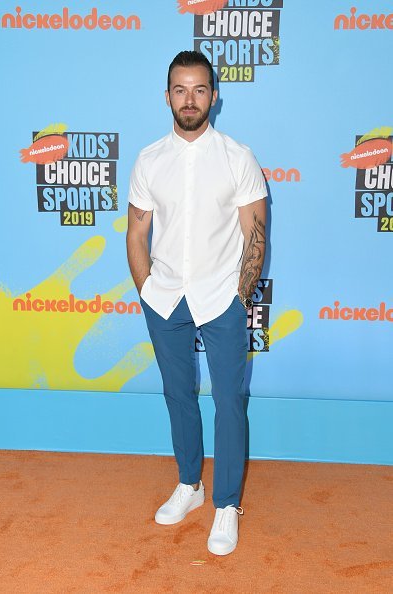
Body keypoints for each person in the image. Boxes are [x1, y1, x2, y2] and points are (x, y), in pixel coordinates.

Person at [126, 50, 267, 556]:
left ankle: (226, 504)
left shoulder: (237, 156)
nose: (190, 99)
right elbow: (137, 231)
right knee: (177, 394)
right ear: (167, 96)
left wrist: (238, 296)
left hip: (221, 296)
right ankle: (191, 484)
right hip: (164, 297)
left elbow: (256, 232)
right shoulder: (148, 159)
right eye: (180, 90)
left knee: (229, 401)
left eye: (200, 89)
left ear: (214, 96)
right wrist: (146, 289)